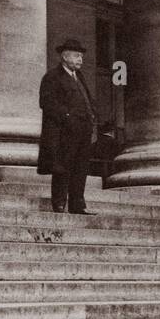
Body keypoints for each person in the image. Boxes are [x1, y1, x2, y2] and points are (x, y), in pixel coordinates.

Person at [38, 38, 98, 215]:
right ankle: (59, 203)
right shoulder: (52, 77)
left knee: (80, 168)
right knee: (62, 168)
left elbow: (86, 100)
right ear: (64, 56)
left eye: (81, 56)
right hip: (64, 133)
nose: (81, 59)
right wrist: (67, 117)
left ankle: (78, 204)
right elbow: (47, 103)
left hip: (83, 131)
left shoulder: (79, 77)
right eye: (77, 55)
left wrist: (92, 116)